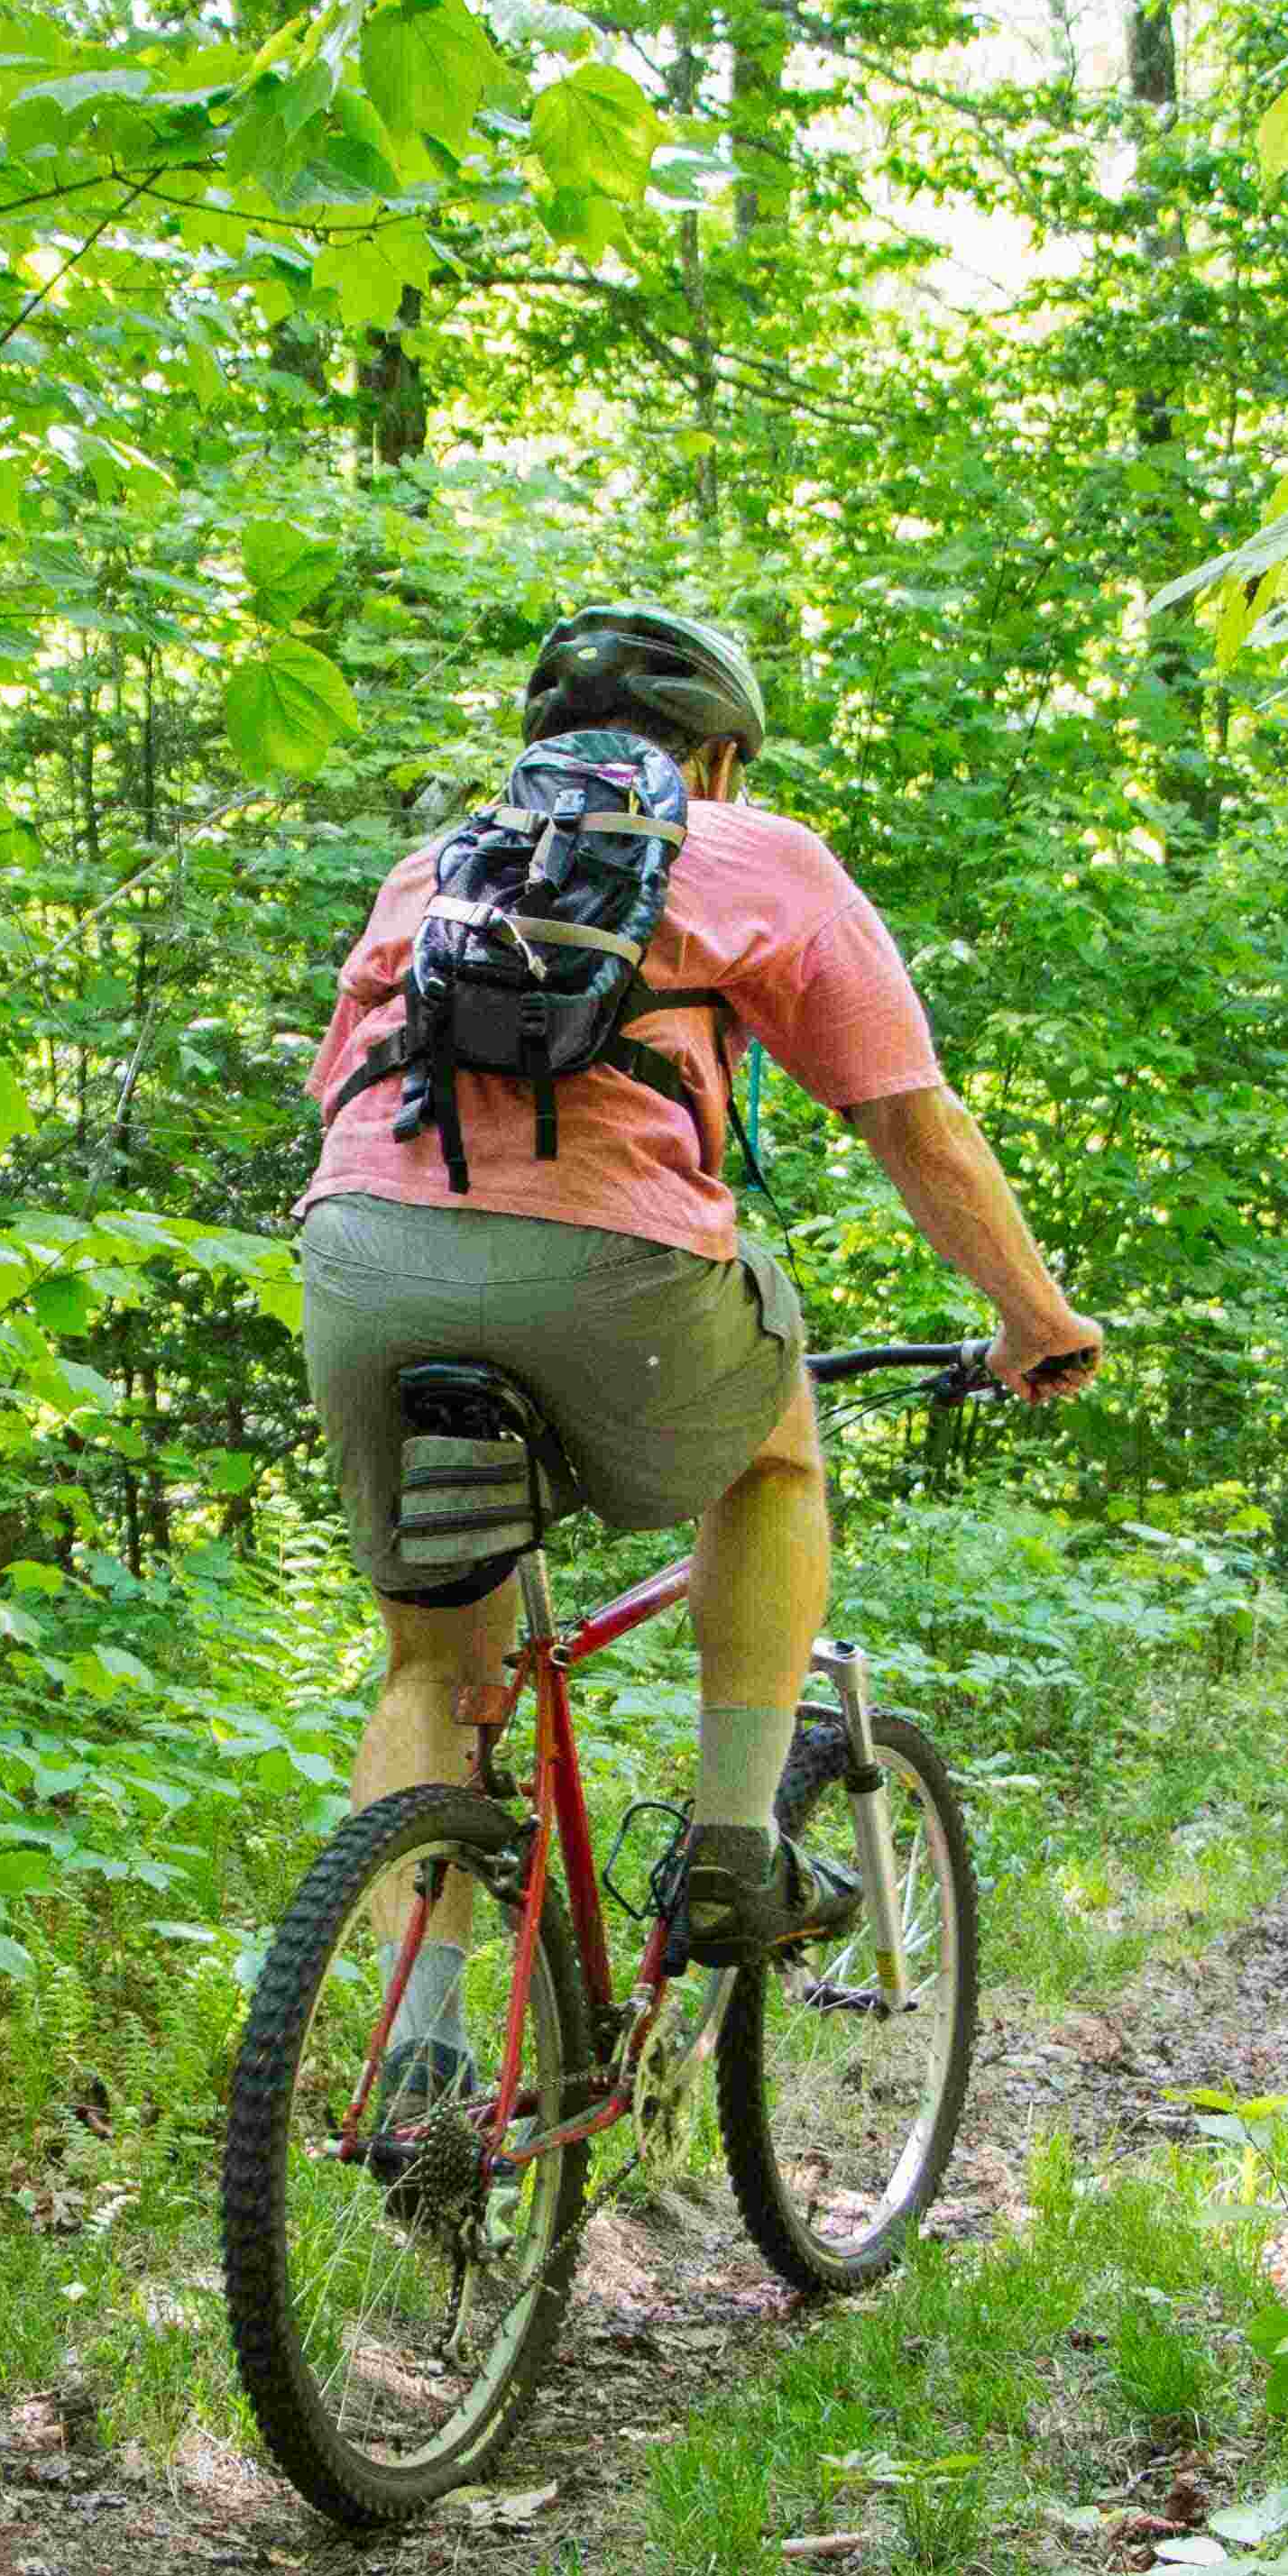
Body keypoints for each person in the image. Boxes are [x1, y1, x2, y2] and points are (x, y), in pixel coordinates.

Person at [297, 602, 1102, 2105]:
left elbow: (338, 1089)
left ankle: (414, 2057)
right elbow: (907, 1116)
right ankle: (733, 1840)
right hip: (615, 1267)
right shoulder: (759, 851)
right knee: (777, 1442)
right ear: (720, 754)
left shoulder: (432, 867)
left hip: (363, 1256)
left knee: (434, 1660)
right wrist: (1034, 1319)